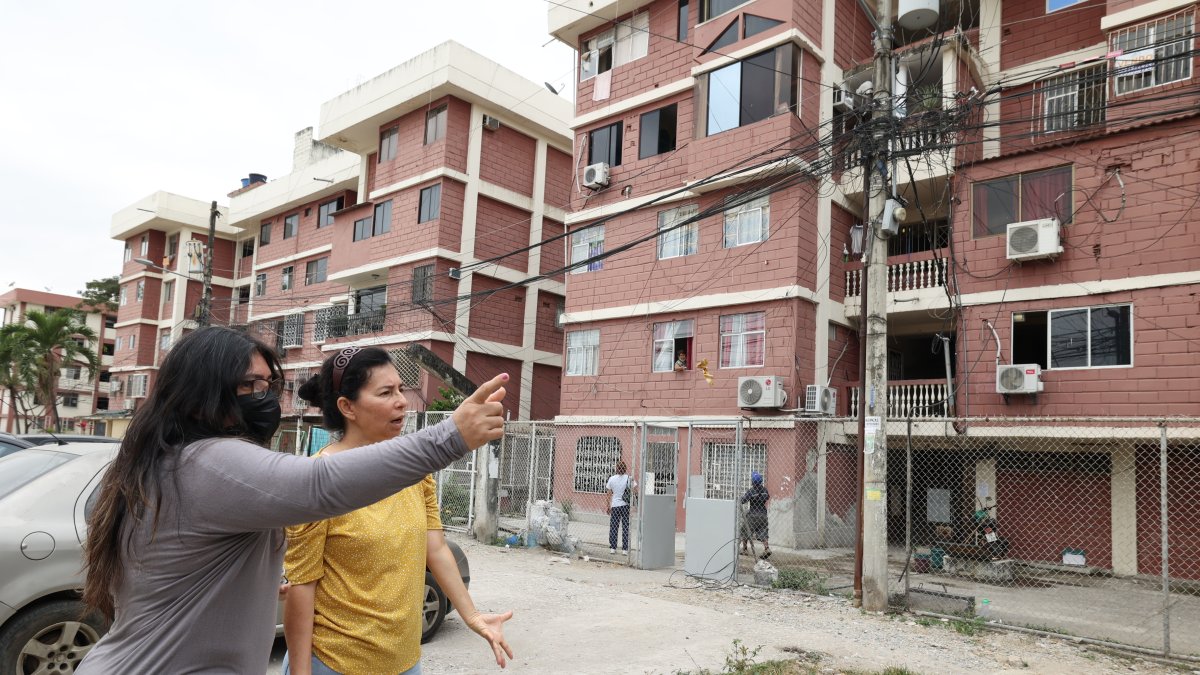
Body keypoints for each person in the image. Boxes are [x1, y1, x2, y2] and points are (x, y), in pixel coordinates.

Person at [78, 327, 508, 673]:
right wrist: (450, 436)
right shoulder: (207, 461)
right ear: (201, 392)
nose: (264, 397)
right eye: (248, 385)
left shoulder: (160, 462)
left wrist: (256, 576)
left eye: (268, 384)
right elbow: (317, 487)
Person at [283, 346, 513, 674]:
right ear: (347, 407)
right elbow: (301, 589)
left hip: (404, 661)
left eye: (401, 389)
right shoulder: (316, 481)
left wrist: (472, 615)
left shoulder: (415, 472)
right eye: (386, 392)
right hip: (334, 662)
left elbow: (435, 548)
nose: (402, 400)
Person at [605, 460, 634, 554]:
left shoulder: (612, 479)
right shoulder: (629, 478)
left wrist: (608, 506)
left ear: (616, 469)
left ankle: (613, 548)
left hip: (615, 505)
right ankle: (625, 549)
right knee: (625, 527)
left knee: (614, 527)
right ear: (625, 469)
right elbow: (635, 491)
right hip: (625, 505)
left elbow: (608, 494)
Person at [740, 472, 771, 559]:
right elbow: (767, 497)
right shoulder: (765, 490)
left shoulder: (751, 491)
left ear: (753, 482)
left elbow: (743, 501)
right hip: (763, 515)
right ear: (761, 482)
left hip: (753, 515)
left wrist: (740, 498)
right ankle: (767, 548)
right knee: (763, 531)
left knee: (745, 530)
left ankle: (745, 549)